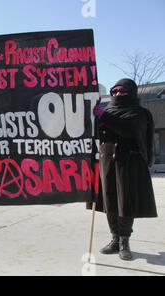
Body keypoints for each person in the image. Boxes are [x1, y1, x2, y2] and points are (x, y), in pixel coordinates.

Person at [93, 78, 157, 261]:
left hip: (128, 162)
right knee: (109, 201)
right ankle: (114, 238)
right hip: (106, 161)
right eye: (115, 91)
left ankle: (124, 241)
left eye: (122, 91)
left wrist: (103, 117)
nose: (118, 94)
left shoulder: (140, 113)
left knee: (125, 201)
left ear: (131, 92)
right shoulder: (105, 112)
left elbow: (127, 129)